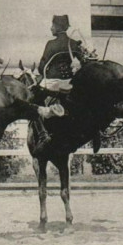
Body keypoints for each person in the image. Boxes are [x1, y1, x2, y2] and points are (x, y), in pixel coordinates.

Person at [32, 15, 86, 155]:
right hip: (69, 84)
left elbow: (41, 67)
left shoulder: (51, 44)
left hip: (52, 83)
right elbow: (83, 63)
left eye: (53, 25)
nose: (51, 28)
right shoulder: (74, 43)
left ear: (57, 27)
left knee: (33, 100)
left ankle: (43, 134)